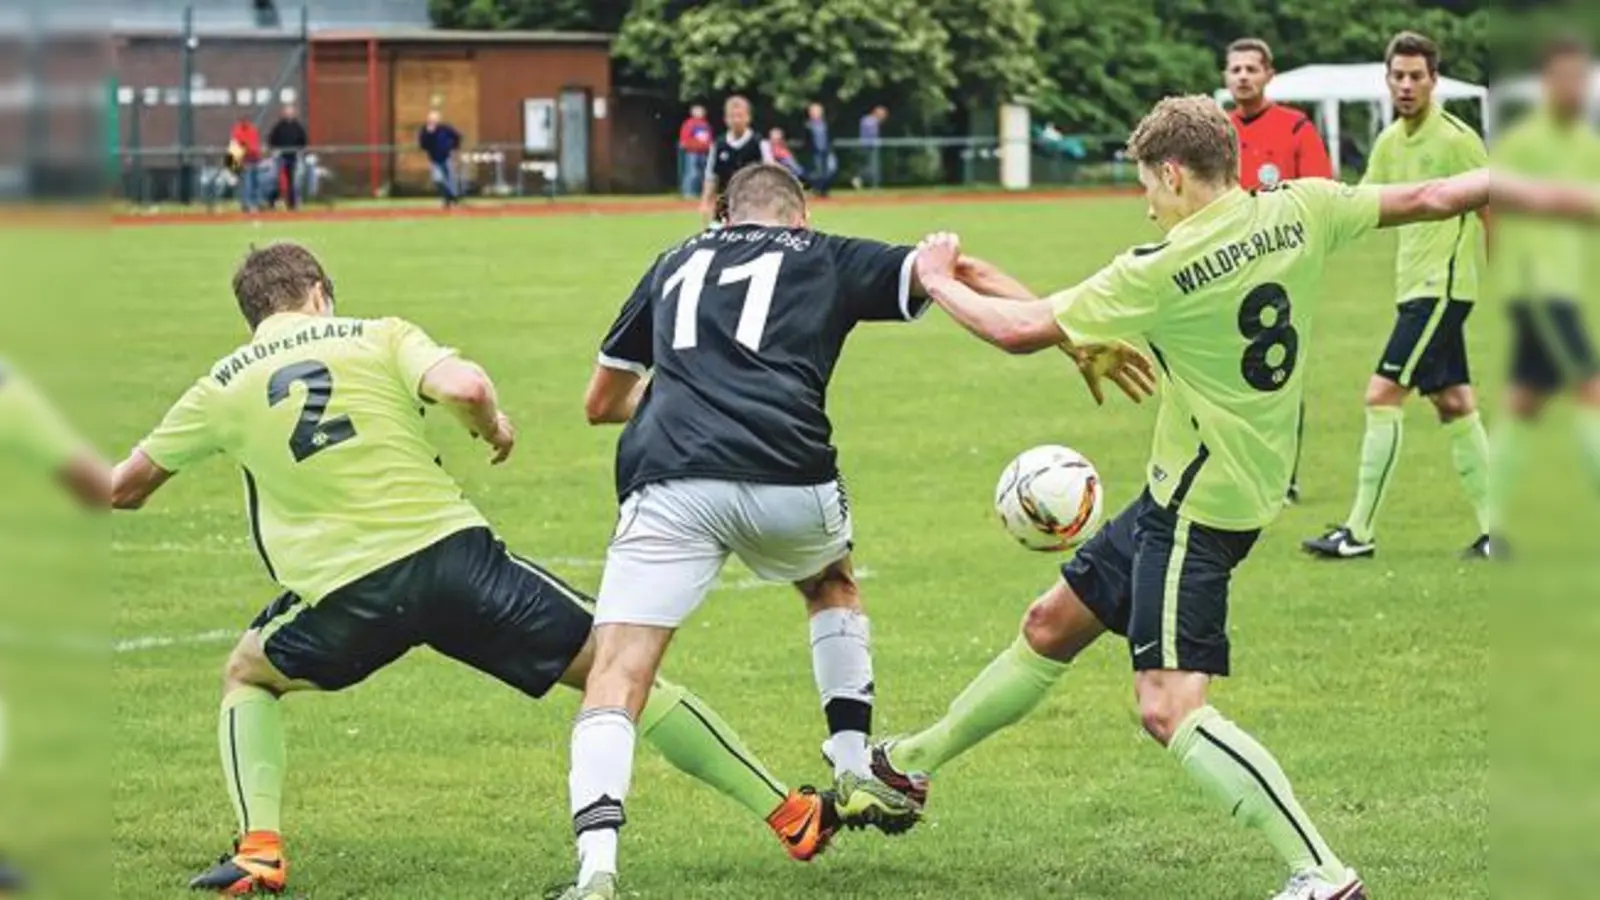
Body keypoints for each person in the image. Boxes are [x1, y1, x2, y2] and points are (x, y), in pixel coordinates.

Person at [850, 94, 1576, 900]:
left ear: (1172, 173)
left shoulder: (1162, 268)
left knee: (1167, 708)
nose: (1145, 202)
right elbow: (1440, 197)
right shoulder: (1302, 206)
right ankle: (907, 769)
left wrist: (934, 277)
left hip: (1200, 506)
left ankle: (1324, 874)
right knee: (1051, 623)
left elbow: (1017, 330)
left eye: (1147, 185)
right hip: (1211, 485)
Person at [108, 243, 847, 896]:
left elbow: (123, 488)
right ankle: (792, 814)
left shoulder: (220, 385)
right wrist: (492, 428)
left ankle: (260, 852)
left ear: (255, 314)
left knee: (249, 674)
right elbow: (463, 387)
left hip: (346, 595)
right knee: (618, 674)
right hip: (454, 563)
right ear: (320, 294)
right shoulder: (376, 334)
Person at [554, 163, 1152, 900]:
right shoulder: (824, 253)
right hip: (789, 473)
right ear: (799, 217)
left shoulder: (674, 260)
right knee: (829, 582)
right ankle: (853, 765)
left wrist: (684, 391)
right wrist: (1073, 340)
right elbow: (957, 268)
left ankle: (597, 874)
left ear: (720, 216)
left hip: (667, 476)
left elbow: (599, 401)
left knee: (617, 674)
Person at [1303, 32, 1494, 561]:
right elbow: (1367, 207)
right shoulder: (1389, 142)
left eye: (1417, 76)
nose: (1407, 85)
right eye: (1398, 76)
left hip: (1442, 291)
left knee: (1381, 394)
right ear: (1387, 80)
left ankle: (1358, 534)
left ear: (1435, 80)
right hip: (1413, 290)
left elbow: (1490, 206)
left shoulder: (1458, 140)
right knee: (1455, 404)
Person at [1487, 37, 1600, 546]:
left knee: (1524, 403)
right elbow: (1499, 205)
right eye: (1564, 78)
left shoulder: (1585, 144)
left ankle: (1491, 521)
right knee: (1592, 390)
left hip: (1564, 287)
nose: (1573, 88)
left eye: (1581, 78)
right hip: (1539, 289)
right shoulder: (1525, 143)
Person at [1223, 37, 1335, 504]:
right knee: (1227, 370)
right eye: (1235, 69)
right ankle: (1233, 468)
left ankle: (1282, 476)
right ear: (1225, 77)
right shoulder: (1216, 130)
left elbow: (1322, 192)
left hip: (1279, 269)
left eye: (1252, 68)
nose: (1243, 76)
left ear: (1270, 74)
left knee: (1277, 367)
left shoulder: (1295, 128)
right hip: (1225, 268)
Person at [699, 96, 772, 226]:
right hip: (725, 205)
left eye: (740, 115)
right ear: (726, 119)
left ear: (748, 117)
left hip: (754, 204)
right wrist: (705, 202)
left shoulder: (759, 143)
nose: (736, 120)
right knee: (717, 238)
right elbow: (711, 177)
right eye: (732, 116)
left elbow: (771, 174)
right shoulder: (718, 145)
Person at [266, 103, 308, 211]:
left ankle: (293, 203)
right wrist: (275, 150)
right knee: (275, 179)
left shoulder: (297, 127)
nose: (289, 113)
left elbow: (303, 141)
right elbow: (271, 140)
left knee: (294, 181)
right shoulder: (279, 127)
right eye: (287, 111)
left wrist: (300, 150)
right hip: (281, 157)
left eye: (290, 111)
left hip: (293, 157)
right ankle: (274, 202)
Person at [418, 108, 463, 207]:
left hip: (447, 157)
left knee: (450, 179)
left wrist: (454, 148)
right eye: (431, 119)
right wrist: (429, 134)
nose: (432, 121)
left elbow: (457, 136)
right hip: (434, 159)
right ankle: (448, 197)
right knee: (438, 179)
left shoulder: (445, 129)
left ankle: (452, 199)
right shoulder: (425, 130)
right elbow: (423, 145)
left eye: (434, 119)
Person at [228, 115, 264, 213]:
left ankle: (256, 203)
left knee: (256, 182)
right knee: (247, 183)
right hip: (245, 160)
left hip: (255, 159)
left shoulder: (252, 130)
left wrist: (256, 153)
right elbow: (237, 146)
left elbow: (255, 144)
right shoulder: (237, 131)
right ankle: (247, 204)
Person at [678, 104, 713, 199]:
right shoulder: (689, 123)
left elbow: (708, 138)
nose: (700, 113)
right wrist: (685, 144)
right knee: (691, 172)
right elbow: (684, 138)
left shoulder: (705, 124)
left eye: (701, 111)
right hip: (692, 151)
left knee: (702, 173)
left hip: (703, 152)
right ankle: (687, 192)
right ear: (693, 113)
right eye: (698, 111)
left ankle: (699, 192)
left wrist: (710, 146)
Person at [855, 106, 888, 190]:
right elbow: (871, 134)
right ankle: (861, 179)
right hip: (869, 146)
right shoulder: (870, 121)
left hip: (869, 146)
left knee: (871, 166)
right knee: (872, 166)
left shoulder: (867, 120)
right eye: (882, 115)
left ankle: (866, 181)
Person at [805, 103, 834, 197]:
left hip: (826, 151)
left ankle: (824, 189)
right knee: (817, 172)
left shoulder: (826, 124)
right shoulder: (808, 125)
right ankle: (818, 190)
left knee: (830, 169)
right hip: (814, 152)